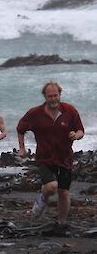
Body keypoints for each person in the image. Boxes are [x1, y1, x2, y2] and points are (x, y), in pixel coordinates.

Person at [17, 81, 84, 224]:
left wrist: (76, 135)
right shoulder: (35, 114)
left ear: (60, 95)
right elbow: (20, 128)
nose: (53, 99)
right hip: (44, 157)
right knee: (51, 187)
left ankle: (61, 223)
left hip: (65, 157)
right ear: (44, 97)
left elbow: (80, 130)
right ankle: (43, 198)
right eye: (50, 96)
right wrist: (22, 148)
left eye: (55, 95)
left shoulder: (70, 111)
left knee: (64, 192)